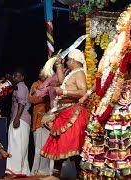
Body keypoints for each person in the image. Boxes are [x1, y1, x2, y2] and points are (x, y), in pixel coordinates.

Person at [78, 1, 131, 179]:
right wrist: (88, 94)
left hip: (129, 102)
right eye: (117, 26)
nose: (118, 29)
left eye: (121, 26)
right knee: (108, 138)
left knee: (130, 140)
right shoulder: (110, 50)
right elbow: (103, 78)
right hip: (110, 101)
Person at [40, 48, 89, 179]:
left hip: (73, 113)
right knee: (63, 146)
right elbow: (62, 82)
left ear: (73, 60)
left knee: (71, 147)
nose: (67, 62)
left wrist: (64, 92)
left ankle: (74, 175)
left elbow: (83, 92)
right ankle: (65, 174)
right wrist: (59, 66)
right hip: (64, 112)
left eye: (68, 60)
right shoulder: (72, 73)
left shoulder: (79, 73)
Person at [5, 68, 31, 178]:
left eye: (17, 76)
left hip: (19, 118)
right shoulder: (19, 87)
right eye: (14, 75)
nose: (15, 78)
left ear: (22, 78)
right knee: (21, 145)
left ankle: (15, 171)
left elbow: (22, 103)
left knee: (16, 145)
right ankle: (22, 170)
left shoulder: (21, 86)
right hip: (23, 119)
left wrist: (16, 118)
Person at [29, 71, 54, 177]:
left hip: (49, 119)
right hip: (38, 119)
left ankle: (48, 170)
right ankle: (36, 169)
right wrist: (44, 97)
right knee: (39, 147)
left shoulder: (53, 84)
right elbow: (31, 99)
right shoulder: (36, 84)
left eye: (44, 73)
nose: (41, 74)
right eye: (40, 72)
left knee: (48, 146)